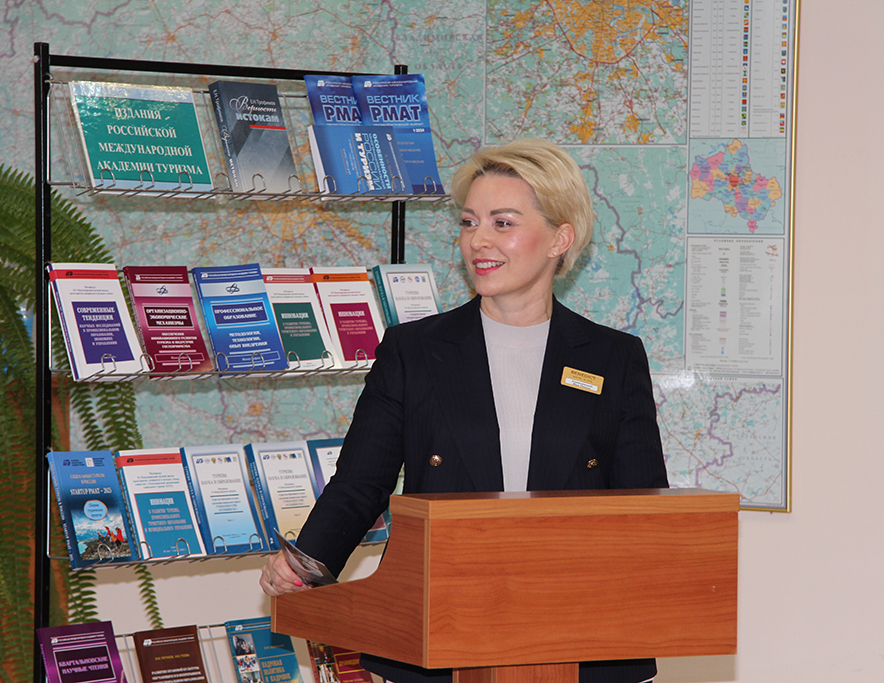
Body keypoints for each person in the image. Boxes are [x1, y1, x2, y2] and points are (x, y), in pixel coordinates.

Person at [261, 138, 669, 683]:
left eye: (503, 223)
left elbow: (644, 509)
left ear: (560, 238)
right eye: (469, 222)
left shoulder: (614, 357)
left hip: (579, 628)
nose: (478, 240)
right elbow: (360, 483)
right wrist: (305, 564)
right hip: (441, 624)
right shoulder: (414, 350)